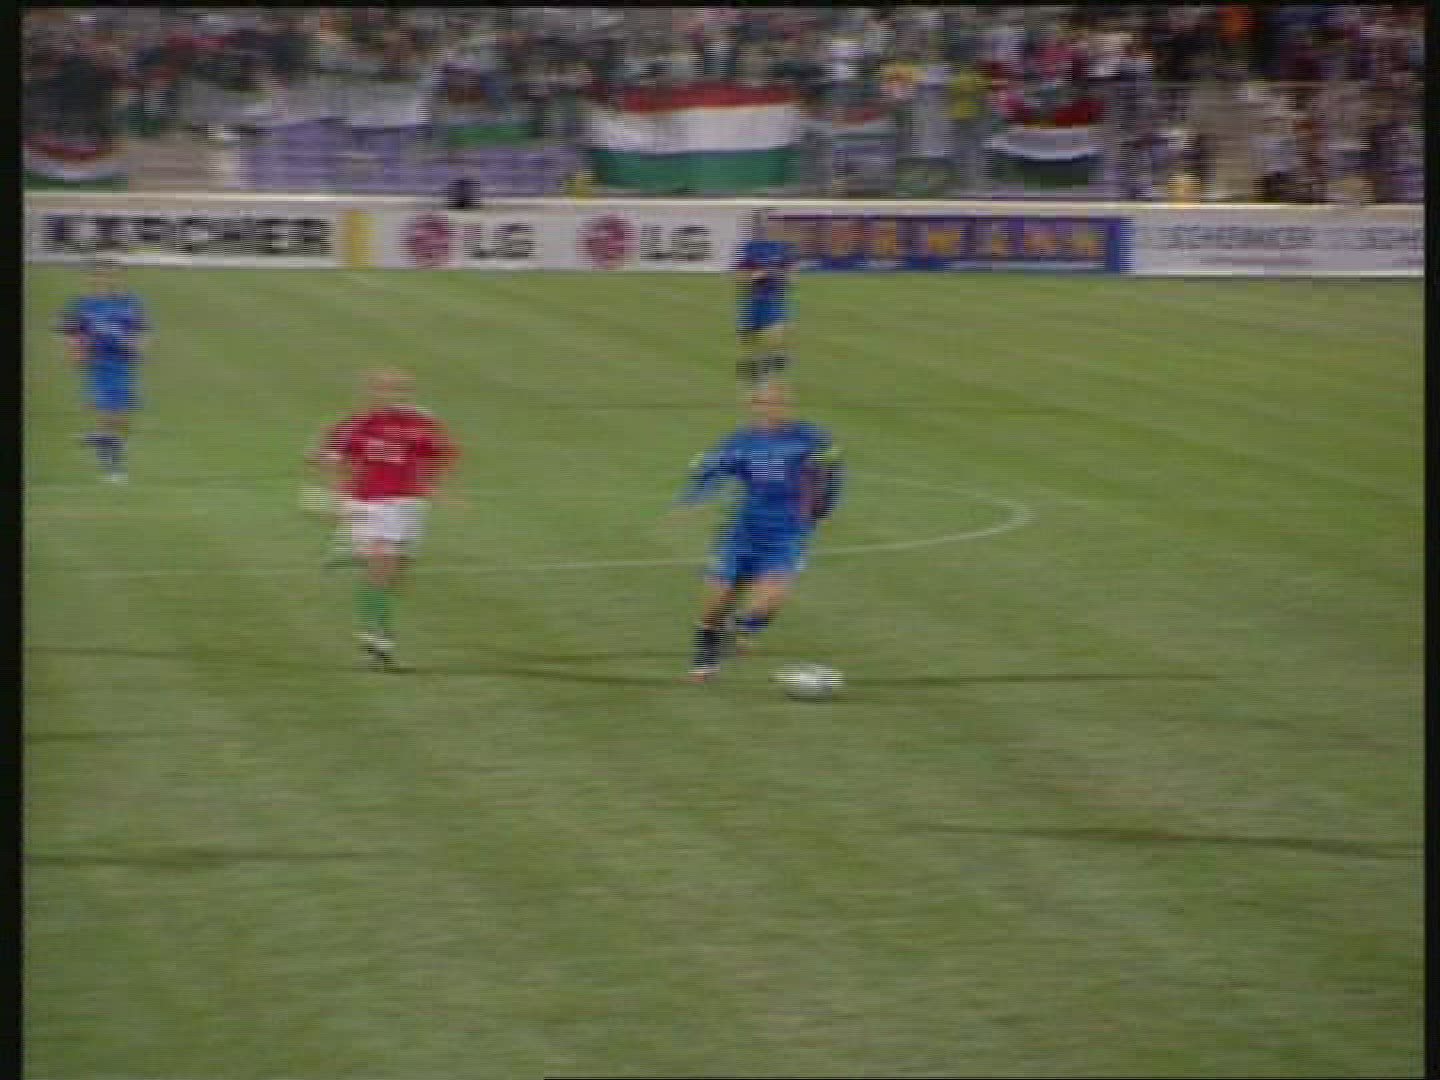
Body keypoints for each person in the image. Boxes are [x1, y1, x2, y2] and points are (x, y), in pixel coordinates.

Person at [670, 379, 843, 683]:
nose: (774, 408)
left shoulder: (810, 437)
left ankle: (742, 627)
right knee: (717, 599)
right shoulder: (739, 442)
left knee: (767, 603)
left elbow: (833, 470)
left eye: (780, 401)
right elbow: (711, 470)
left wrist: (824, 505)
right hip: (743, 531)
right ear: (752, 406)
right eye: (766, 402)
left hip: (787, 533)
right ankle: (706, 654)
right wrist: (691, 500)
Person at [309, 368, 457, 670]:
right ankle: (376, 637)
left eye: (401, 390)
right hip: (370, 504)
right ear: (370, 392)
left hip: (408, 505)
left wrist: (433, 486)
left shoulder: (421, 422)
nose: (394, 396)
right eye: (386, 389)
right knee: (382, 567)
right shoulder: (353, 426)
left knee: (397, 573)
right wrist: (337, 496)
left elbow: (440, 453)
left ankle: (355, 556)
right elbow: (328, 459)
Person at [57, 256, 149, 484]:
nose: (107, 279)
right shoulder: (82, 305)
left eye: (112, 274)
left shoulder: (130, 302)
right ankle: (112, 468)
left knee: (122, 418)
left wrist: (137, 346)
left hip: (123, 364)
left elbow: (141, 330)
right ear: (92, 278)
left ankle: (99, 439)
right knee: (109, 413)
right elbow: (72, 332)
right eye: (101, 274)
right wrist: (76, 351)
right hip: (98, 363)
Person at [733, 208, 795, 386]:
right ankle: (755, 370)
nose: (765, 227)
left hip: (774, 299)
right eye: (761, 223)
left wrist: (777, 275)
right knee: (749, 337)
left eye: (769, 222)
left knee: (774, 337)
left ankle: (768, 371)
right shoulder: (749, 248)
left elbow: (790, 276)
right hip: (753, 299)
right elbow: (741, 277)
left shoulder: (782, 248)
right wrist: (759, 275)